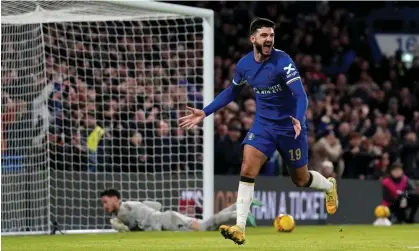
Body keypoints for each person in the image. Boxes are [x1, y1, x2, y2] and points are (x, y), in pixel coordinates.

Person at [179, 18, 338, 245]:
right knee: (247, 168)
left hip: (290, 127)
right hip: (263, 126)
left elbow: (300, 95)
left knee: (301, 179)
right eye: (264, 36)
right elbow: (231, 92)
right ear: (253, 38)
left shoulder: (283, 61)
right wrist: (205, 112)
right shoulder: (244, 65)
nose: (269, 40)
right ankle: (240, 228)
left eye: (271, 36)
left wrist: (299, 118)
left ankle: (328, 185)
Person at [99, 188, 262, 232]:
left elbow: (130, 229)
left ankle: (239, 213)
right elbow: (156, 205)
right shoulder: (132, 204)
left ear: (115, 198)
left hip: (168, 223)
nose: (105, 206)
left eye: (106, 202)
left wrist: (119, 225)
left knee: (205, 227)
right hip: (168, 218)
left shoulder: (122, 212)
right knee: (208, 226)